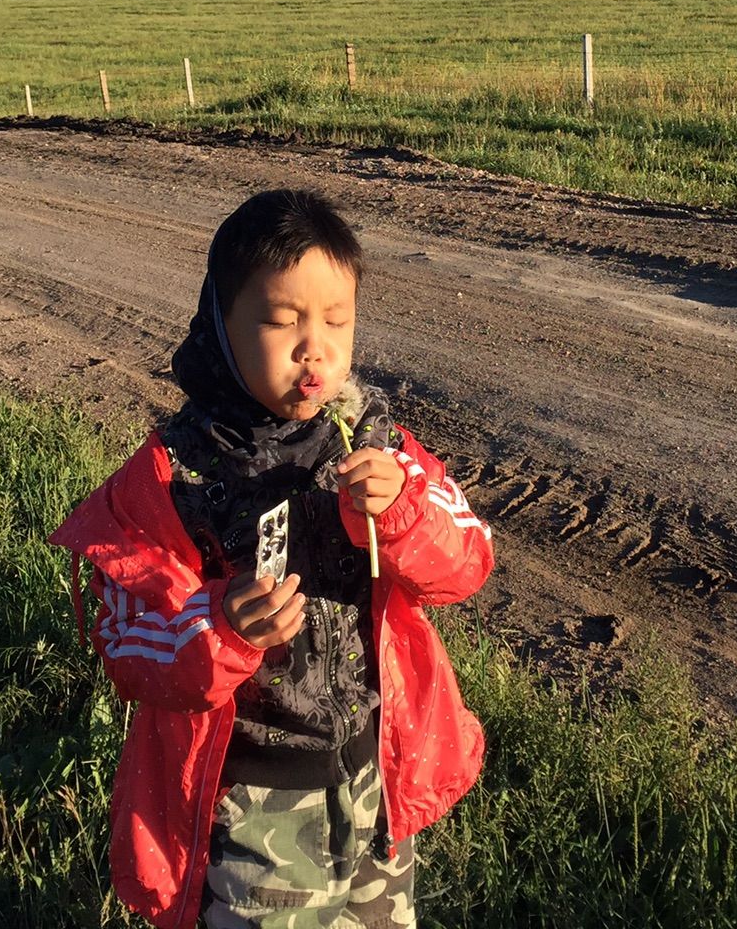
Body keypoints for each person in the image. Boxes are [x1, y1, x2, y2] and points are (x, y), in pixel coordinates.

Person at [49, 188, 494, 929]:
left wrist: (403, 513)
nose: (313, 348)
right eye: (281, 322)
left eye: (336, 321)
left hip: (374, 774)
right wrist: (216, 624)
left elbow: (469, 560)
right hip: (255, 799)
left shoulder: (377, 447)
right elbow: (127, 641)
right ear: (221, 326)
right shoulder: (179, 477)